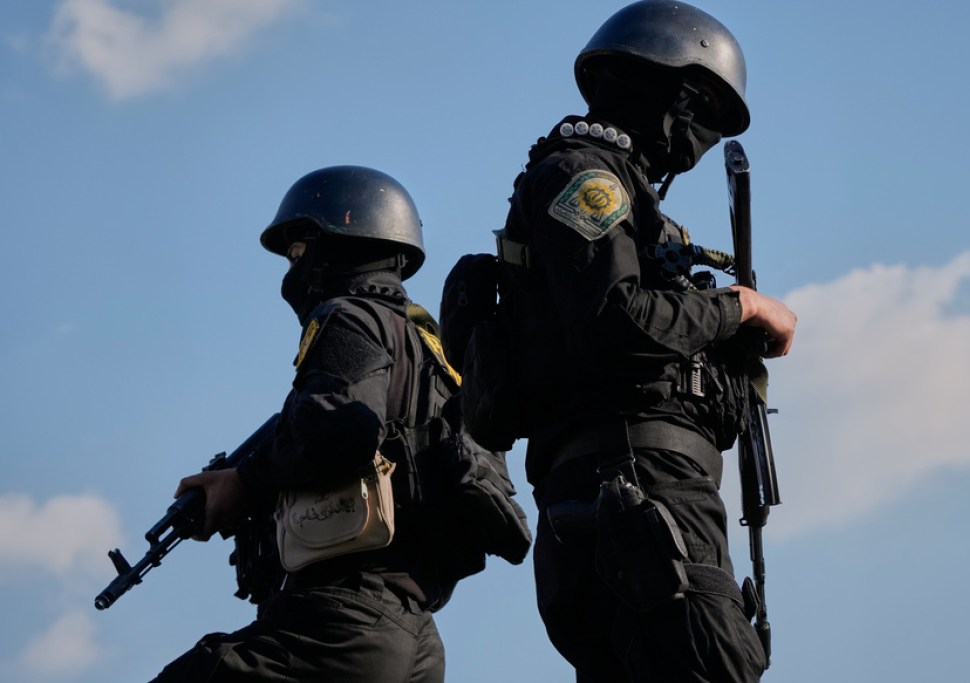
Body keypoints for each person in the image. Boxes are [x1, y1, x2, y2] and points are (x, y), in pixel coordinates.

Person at [465, 1, 797, 681]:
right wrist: (737, 308)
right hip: (637, 487)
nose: (701, 134)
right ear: (672, 93)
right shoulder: (586, 174)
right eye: (703, 106)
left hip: (622, 496)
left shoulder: (621, 190)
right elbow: (616, 320)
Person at [151, 165, 474, 682]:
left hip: (338, 623)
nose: (293, 270)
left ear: (340, 244)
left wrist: (244, 481)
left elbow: (340, 432)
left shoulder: (349, 318)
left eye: (299, 251)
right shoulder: (429, 349)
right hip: (413, 635)